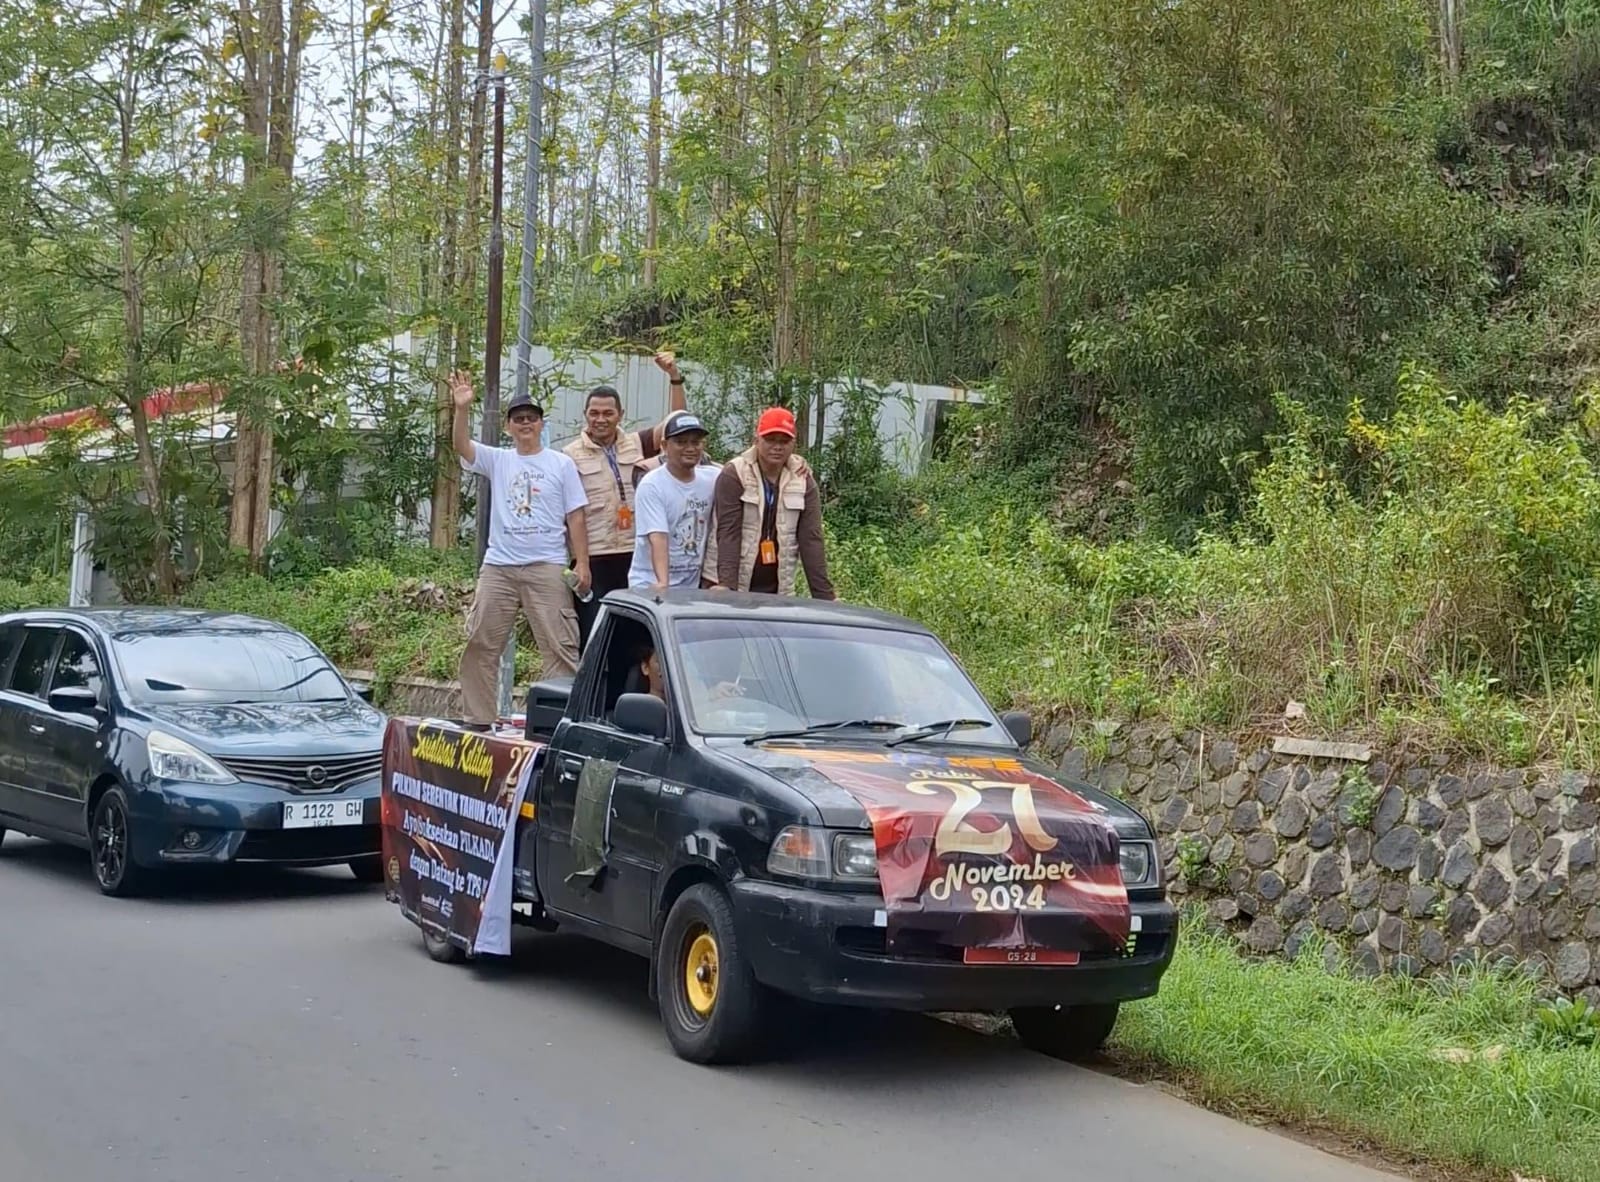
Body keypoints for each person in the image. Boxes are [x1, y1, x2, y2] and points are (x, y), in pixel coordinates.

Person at [451, 370, 590, 729]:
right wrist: (463, 408)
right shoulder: (498, 459)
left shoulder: (561, 463)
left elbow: (576, 516)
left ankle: (559, 724)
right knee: (481, 642)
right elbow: (462, 446)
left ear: (542, 424)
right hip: (499, 566)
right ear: (509, 427)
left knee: (560, 647)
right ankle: (477, 719)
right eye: (518, 419)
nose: (525, 423)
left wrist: (583, 563)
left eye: (531, 418)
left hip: (547, 565)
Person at [563, 352, 689, 648]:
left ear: (621, 414)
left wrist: (674, 377)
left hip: (635, 555)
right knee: (594, 637)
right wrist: (580, 564)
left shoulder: (637, 443)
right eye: (594, 413)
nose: (600, 419)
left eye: (608, 413)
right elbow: (570, 513)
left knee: (634, 639)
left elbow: (677, 424)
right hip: (595, 557)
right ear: (586, 415)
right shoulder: (569, 456)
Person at [710, 406, 835, 599]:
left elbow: (811, 539)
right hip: (729, 581)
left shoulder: (803, 479)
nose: (777, 447)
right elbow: (728, 532)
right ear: (756, 440)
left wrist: (825, 597)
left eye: (784, 441)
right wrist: (727, 588)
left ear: (793, 444)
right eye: (770, 440)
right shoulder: (734, 474)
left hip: (778, 587)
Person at [629, 411, 720, 591]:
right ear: (664, 445)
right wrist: (663, 582)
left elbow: (742, 472)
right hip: (650, 585)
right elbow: (658, 537)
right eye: (681, 442)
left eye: (696, 442)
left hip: (691, 588)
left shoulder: (713, 478)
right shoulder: (652, 484)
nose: (690, 448)